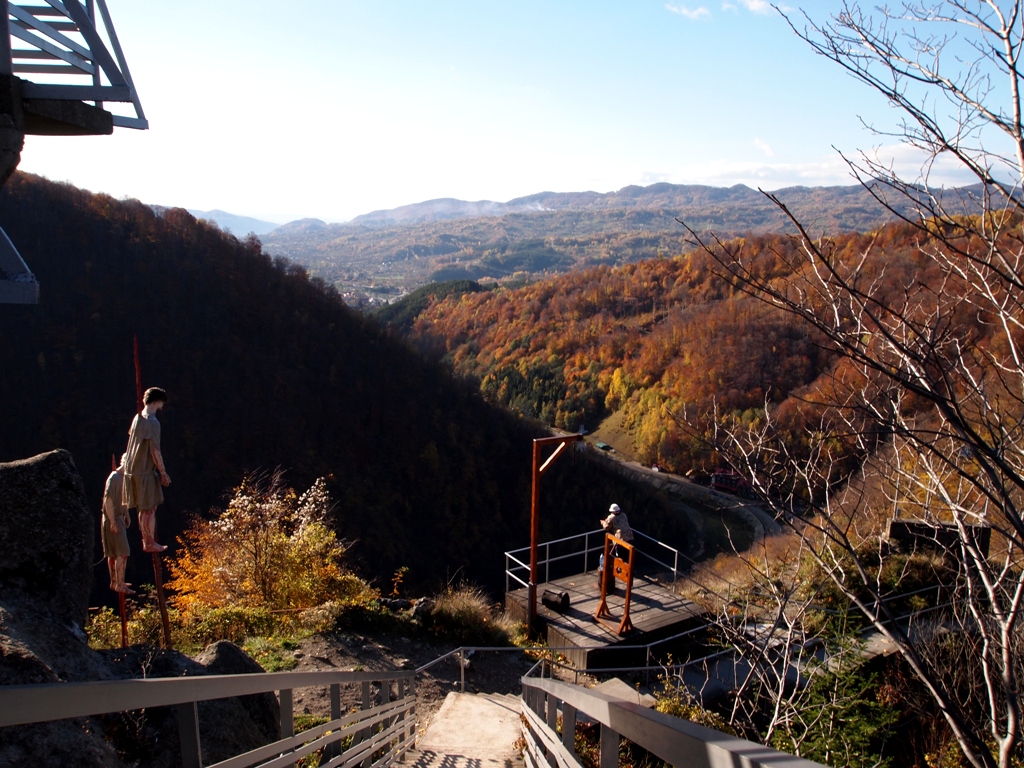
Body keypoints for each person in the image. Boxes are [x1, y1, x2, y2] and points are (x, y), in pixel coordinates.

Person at [123, 387, 171, 552]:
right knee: (150, 508)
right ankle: (149, 542)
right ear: (157, 401)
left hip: (132, 470)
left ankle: (147, 540)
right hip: (144, 471)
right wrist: (163, 473)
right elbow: (154, 450)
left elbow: (133, 441)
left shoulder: (137, 419)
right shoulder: (152, 422)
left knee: (143, 509)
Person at [102, 456, 134, 594]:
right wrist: (113, 522)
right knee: (122, 551)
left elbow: (124, 499)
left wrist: (126, 514)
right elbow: (108, 500)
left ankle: (116, 581)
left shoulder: (124, 479)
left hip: (117, 517)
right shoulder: (114, 478)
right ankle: (119, 583)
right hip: (112, 518)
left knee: (115, 553)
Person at [599, 503, 634, 590]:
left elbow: (606, 527)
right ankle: (630, 570)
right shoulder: (623, 515)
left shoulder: (612, 517)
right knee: (628, 555)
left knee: (619, 556)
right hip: (629, 536)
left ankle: (622, 571)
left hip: (620, 539)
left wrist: (603, 522)